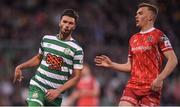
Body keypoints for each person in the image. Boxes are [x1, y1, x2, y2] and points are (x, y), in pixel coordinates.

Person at [95, 2, 178, 106]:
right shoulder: (133, 39)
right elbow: (130, 66)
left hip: (151, 87)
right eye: (136, 13)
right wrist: (111, 65)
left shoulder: (159, 35)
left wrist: (160, 78)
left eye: (140, 13)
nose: (136, 16)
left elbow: (173, 59)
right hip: (133, 86)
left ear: (150, 17)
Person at [13, 9, 84, 106]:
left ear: (74, 26)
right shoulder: (46, 39)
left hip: (55, 95)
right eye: (64, 22)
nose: (67, 25)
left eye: (71, 23)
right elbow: (39, 58)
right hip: (38, 85)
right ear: (59, 23)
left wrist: (58, 91)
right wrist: (20, 66)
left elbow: (77, 77)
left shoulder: (77, 49)